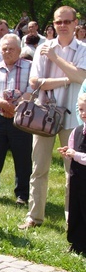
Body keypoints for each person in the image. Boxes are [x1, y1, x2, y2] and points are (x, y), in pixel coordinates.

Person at [19, 6, 86, 229]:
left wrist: (56, 59)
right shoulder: (43, 48)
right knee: (39, 168)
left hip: (74, 118)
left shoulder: (82, 49)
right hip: (44, 116)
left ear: (76, 23)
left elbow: (81, 76)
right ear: (54, 24)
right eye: (59, 22)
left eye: (68, 22)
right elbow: (35, 82)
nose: (63, 26)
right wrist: (67, 79)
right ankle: (34, 216)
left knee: (73, 171)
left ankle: (71, 220)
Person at [0, 34, 33, 204]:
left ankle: (22, 195)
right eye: (4, 49)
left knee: (23, 157)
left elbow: (33, 90)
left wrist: (16, 106)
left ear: (19, 49)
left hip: (22, 117)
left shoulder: (30, 67)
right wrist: (3, 103)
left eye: (11, 48)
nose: (7, 52)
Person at [57, 93, 86, 254]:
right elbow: (72, 147)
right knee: (75, 208)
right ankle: (76, 242)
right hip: (77, 176)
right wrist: (68, 151)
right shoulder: (77, 131)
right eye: (81, 109)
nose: (83, 113)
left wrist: (76, 155)